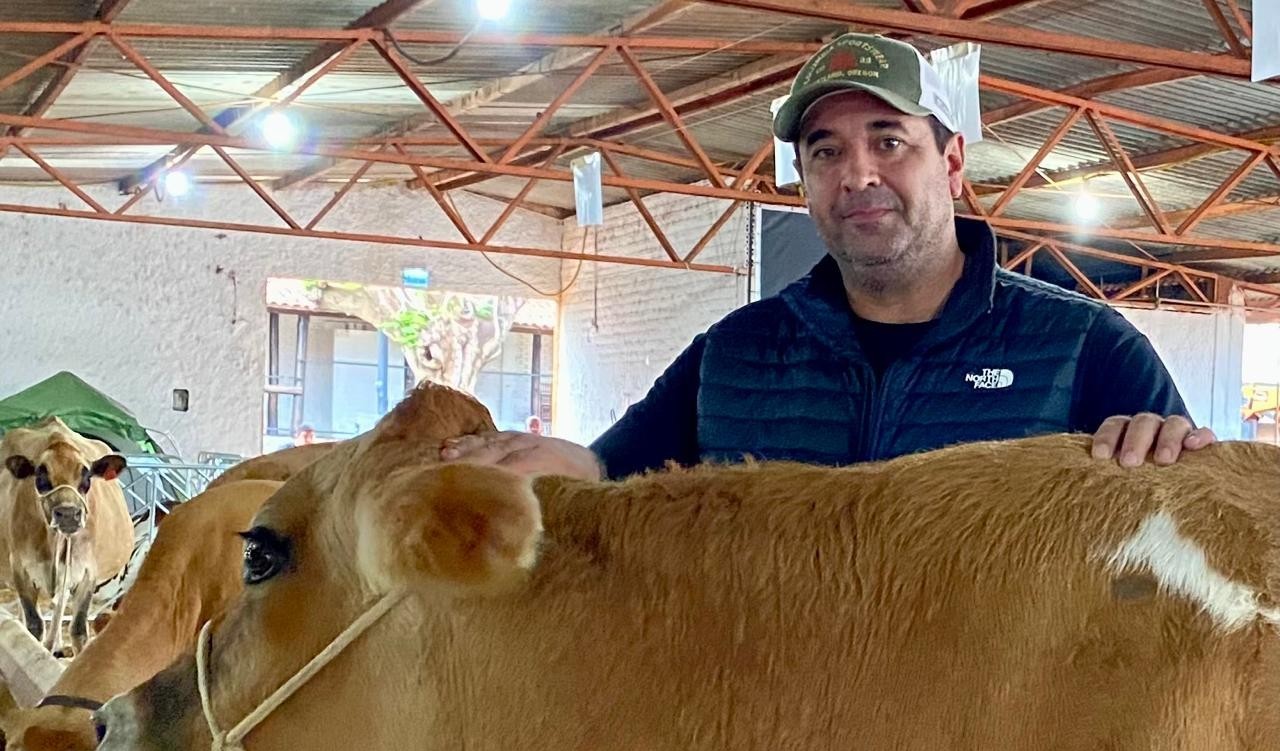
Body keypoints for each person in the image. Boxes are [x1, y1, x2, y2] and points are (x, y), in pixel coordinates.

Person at [443, 33, 1215, 480]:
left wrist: (1173, 451)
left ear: (951, 165)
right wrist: (547, 465)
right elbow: (614, 476)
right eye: (826, 151)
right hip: (773, 742)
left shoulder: (1085, 347)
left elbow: (1184, 531)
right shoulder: (735, 356)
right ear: (807, 184)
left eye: (889, 141)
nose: (858, 174)